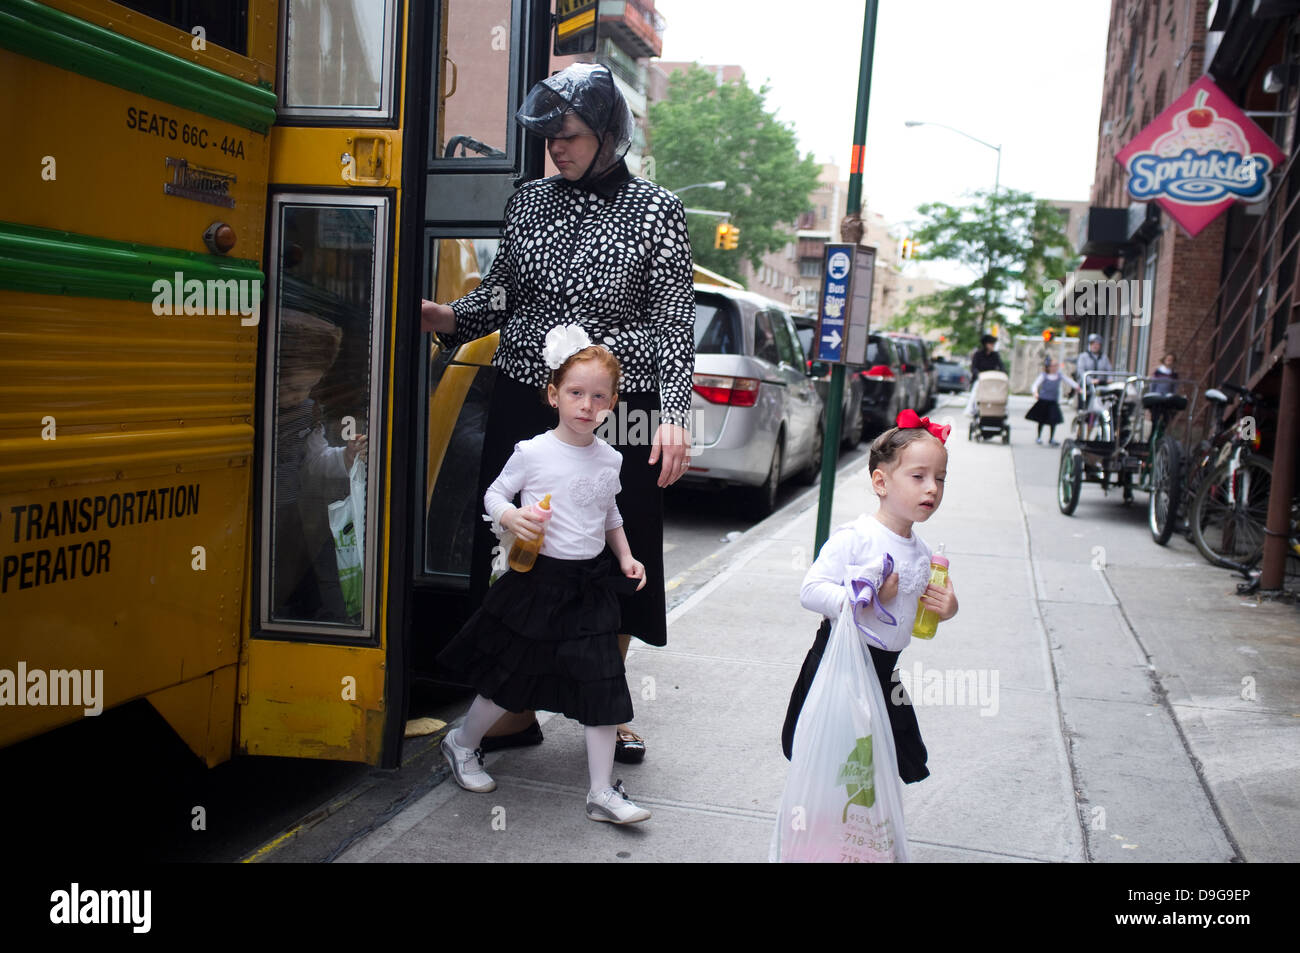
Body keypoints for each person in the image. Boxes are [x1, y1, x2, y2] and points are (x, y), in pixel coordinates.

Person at [420, 63, 695, 763]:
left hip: (618, 406)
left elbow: (671, 320)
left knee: (614, 549)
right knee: (520, 547)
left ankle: (606, 701)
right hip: (526, 394)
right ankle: (511, 707)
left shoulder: (657, 210)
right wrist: (446, 315)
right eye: (548, 140)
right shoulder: (529, 201)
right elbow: (501, 296)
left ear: (608, 135)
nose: (557, 150)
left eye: (568, 136)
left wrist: (674, 414)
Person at [437, 328, 653, 824]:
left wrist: (624, 557)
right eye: (575, 393)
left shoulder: (611, 457)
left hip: (590, 587)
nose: (586, 404)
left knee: (604, 683)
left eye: (599, 396)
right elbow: (494, 495)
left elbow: (609, 513)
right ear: (554, 394)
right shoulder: (532, 451)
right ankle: (462, 743)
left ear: (612, 403)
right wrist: (510, 517)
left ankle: (601, 792)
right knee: (509, 677)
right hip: (537, 584)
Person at [781, 410, 959, 785]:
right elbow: (811, 590)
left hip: (884, 670)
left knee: (891, 758)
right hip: (839, 665)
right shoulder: (857, 537)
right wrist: (867, 598)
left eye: (940, 479)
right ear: (881, 481)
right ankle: (827, 826)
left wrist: (944, 609)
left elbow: (911, 613)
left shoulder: (923, 552)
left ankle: (863, 829)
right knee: (830, 755)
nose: (932, 488)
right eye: (919, 476)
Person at [1025, 356, 1078, 446]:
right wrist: (1035, 392)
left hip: (1053, 401)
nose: (1055, 367)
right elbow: (1035, 385)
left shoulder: (1059, 375)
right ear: (1049, 367)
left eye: (1056, 365)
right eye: (1053, 366)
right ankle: (1039, 437)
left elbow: (1069, 381)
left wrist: (1077, 387)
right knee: (1041, 420)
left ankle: (1051, 438)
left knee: (1053, 420)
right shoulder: (1044, 376)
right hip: (1043, 401)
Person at [965, 334, 1004, 416]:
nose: (993, 345)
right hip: (981, 380)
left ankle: (999, 412)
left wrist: (1002, 374)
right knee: (975, 391)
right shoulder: (978, 354)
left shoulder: (995, 355)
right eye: (991, 343)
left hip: (992, 380)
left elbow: (1001, 366)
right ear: (986, 344)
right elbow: (973, 367)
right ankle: (971, 410)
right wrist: (978, 375)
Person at [1074, 333, 1113, 406]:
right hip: (1086, 387)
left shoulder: (1104, 357)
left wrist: (1110, 379)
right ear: (1089, 345)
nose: (1095, 346)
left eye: (1097, 344)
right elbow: (1081, 371)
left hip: (1100, 386)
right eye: (1093, 344)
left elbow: (1109, 370)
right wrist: (1090, 380)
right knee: (1085, 407)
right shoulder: (1083, 356)